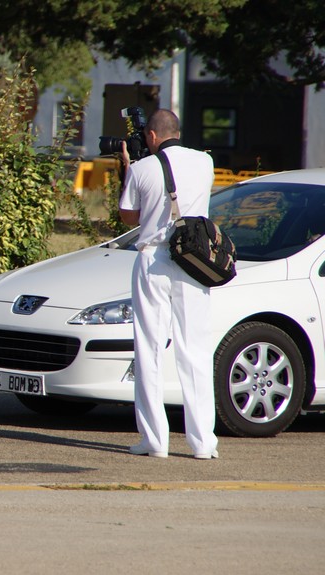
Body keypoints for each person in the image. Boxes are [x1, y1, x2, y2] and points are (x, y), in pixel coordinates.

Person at [118, 108, 219, 459]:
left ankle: (155, 440)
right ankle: (203, 442)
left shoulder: (142, 168)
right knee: (195, 350)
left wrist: (128, 168)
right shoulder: (204, 162)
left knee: (149, 349)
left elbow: (128, 216)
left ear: (152, 136)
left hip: (154, 257)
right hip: (193, 258)